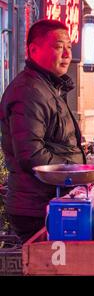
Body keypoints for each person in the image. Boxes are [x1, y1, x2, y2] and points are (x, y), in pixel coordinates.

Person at [0, 20, 86, 243]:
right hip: (37, 207)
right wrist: (78, 171)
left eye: (69, 46)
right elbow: (31, 155)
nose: (67, 54)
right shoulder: (29, 91)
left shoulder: (48, 87)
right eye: (59, 47)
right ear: (33, 50)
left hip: (52, 200)